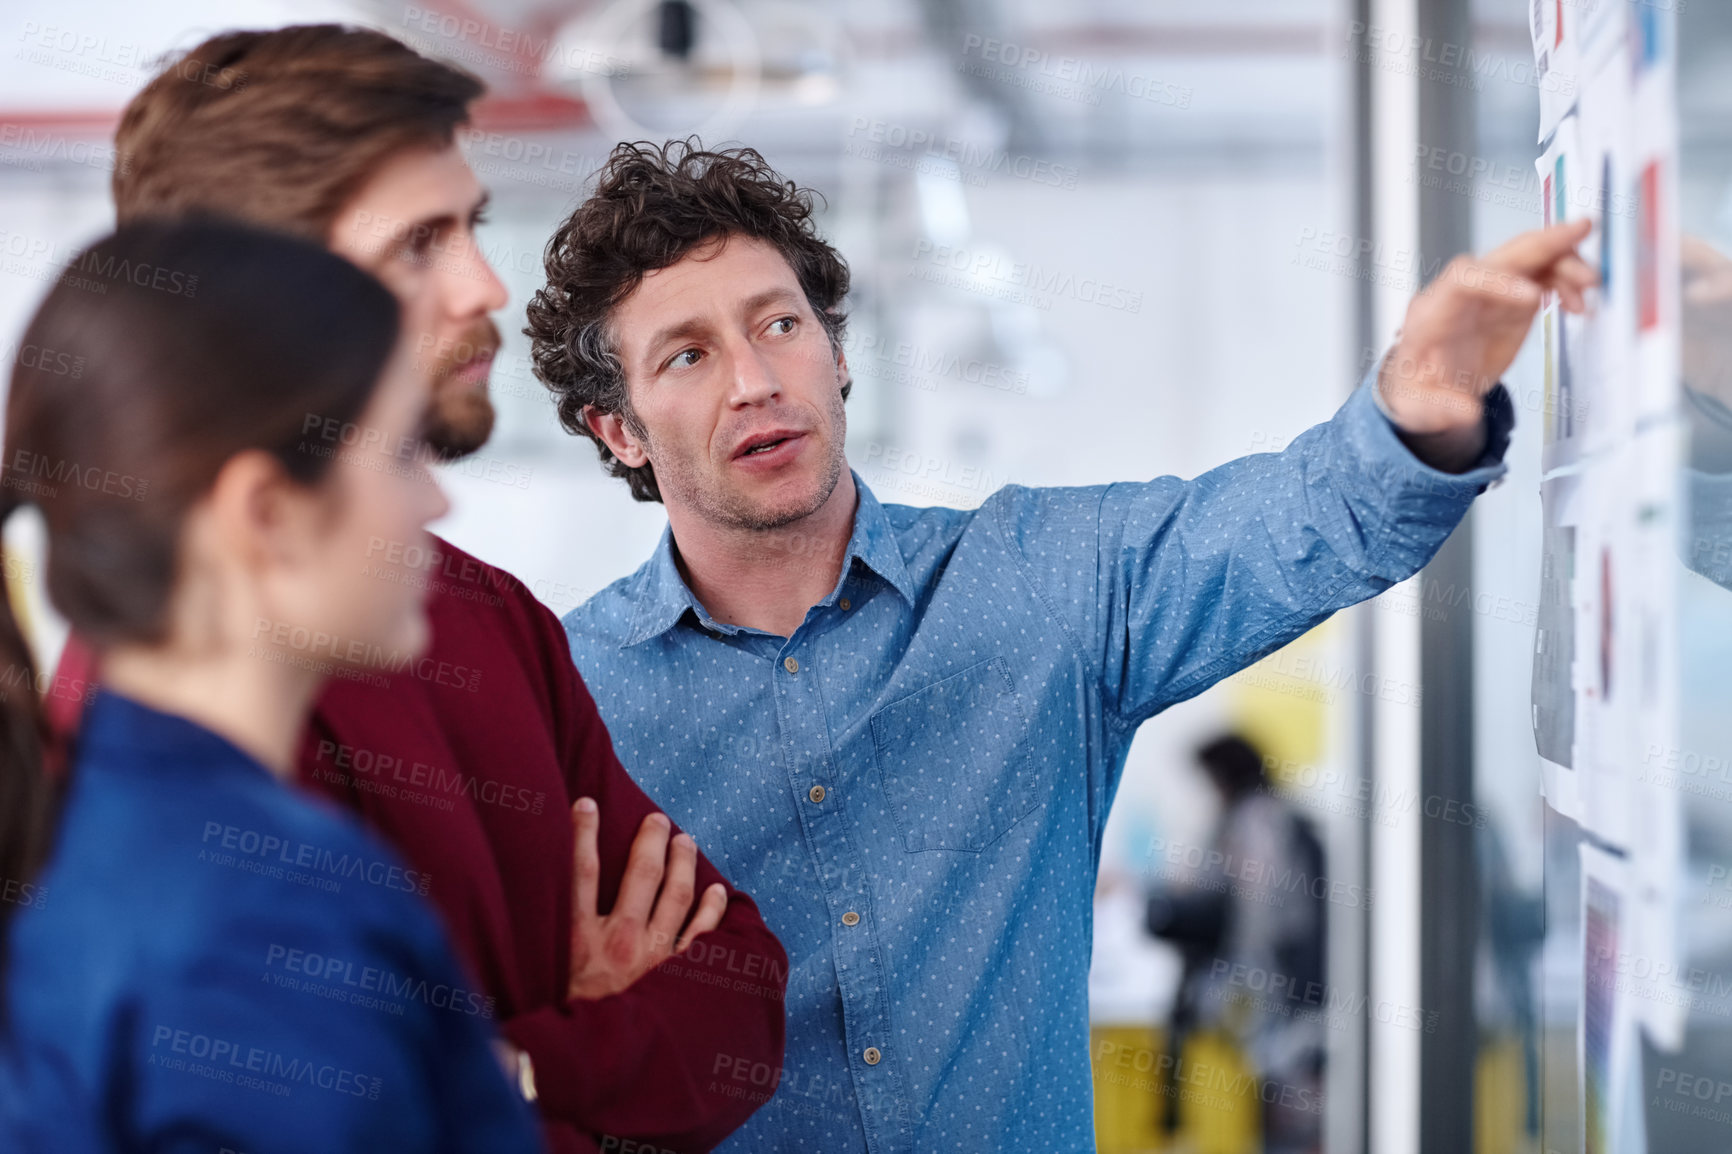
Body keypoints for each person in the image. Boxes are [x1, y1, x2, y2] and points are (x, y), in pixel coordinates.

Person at [537, 138, 1597, 1151]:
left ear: (839, 350)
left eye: (778, 325)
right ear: (617, 429)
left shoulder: (1037, 584)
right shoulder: (566, 700)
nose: (753, 379)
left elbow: (1297, 525)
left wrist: (1421, 395)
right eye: (687, 354)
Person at [48, 27, 786, 1154]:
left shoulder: (489, 616)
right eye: (420, 243)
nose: (486, 283)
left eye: (473, 228)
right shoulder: (161, 732)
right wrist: (570, 1064)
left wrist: (531, 1062)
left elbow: (735, 977)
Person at [0, 219, 541, 1152]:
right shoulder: (273, 924)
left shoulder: (75, 831)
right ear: (268, 514)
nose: (436, 500)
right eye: (401, 454)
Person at [1143, 734, 1327, 1154]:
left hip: (1274, 1000)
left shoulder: (1256, 822)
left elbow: (1244, 916)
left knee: (1282, 1122)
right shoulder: (1278, 819)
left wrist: (1169, 907)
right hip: (1283, 1000)